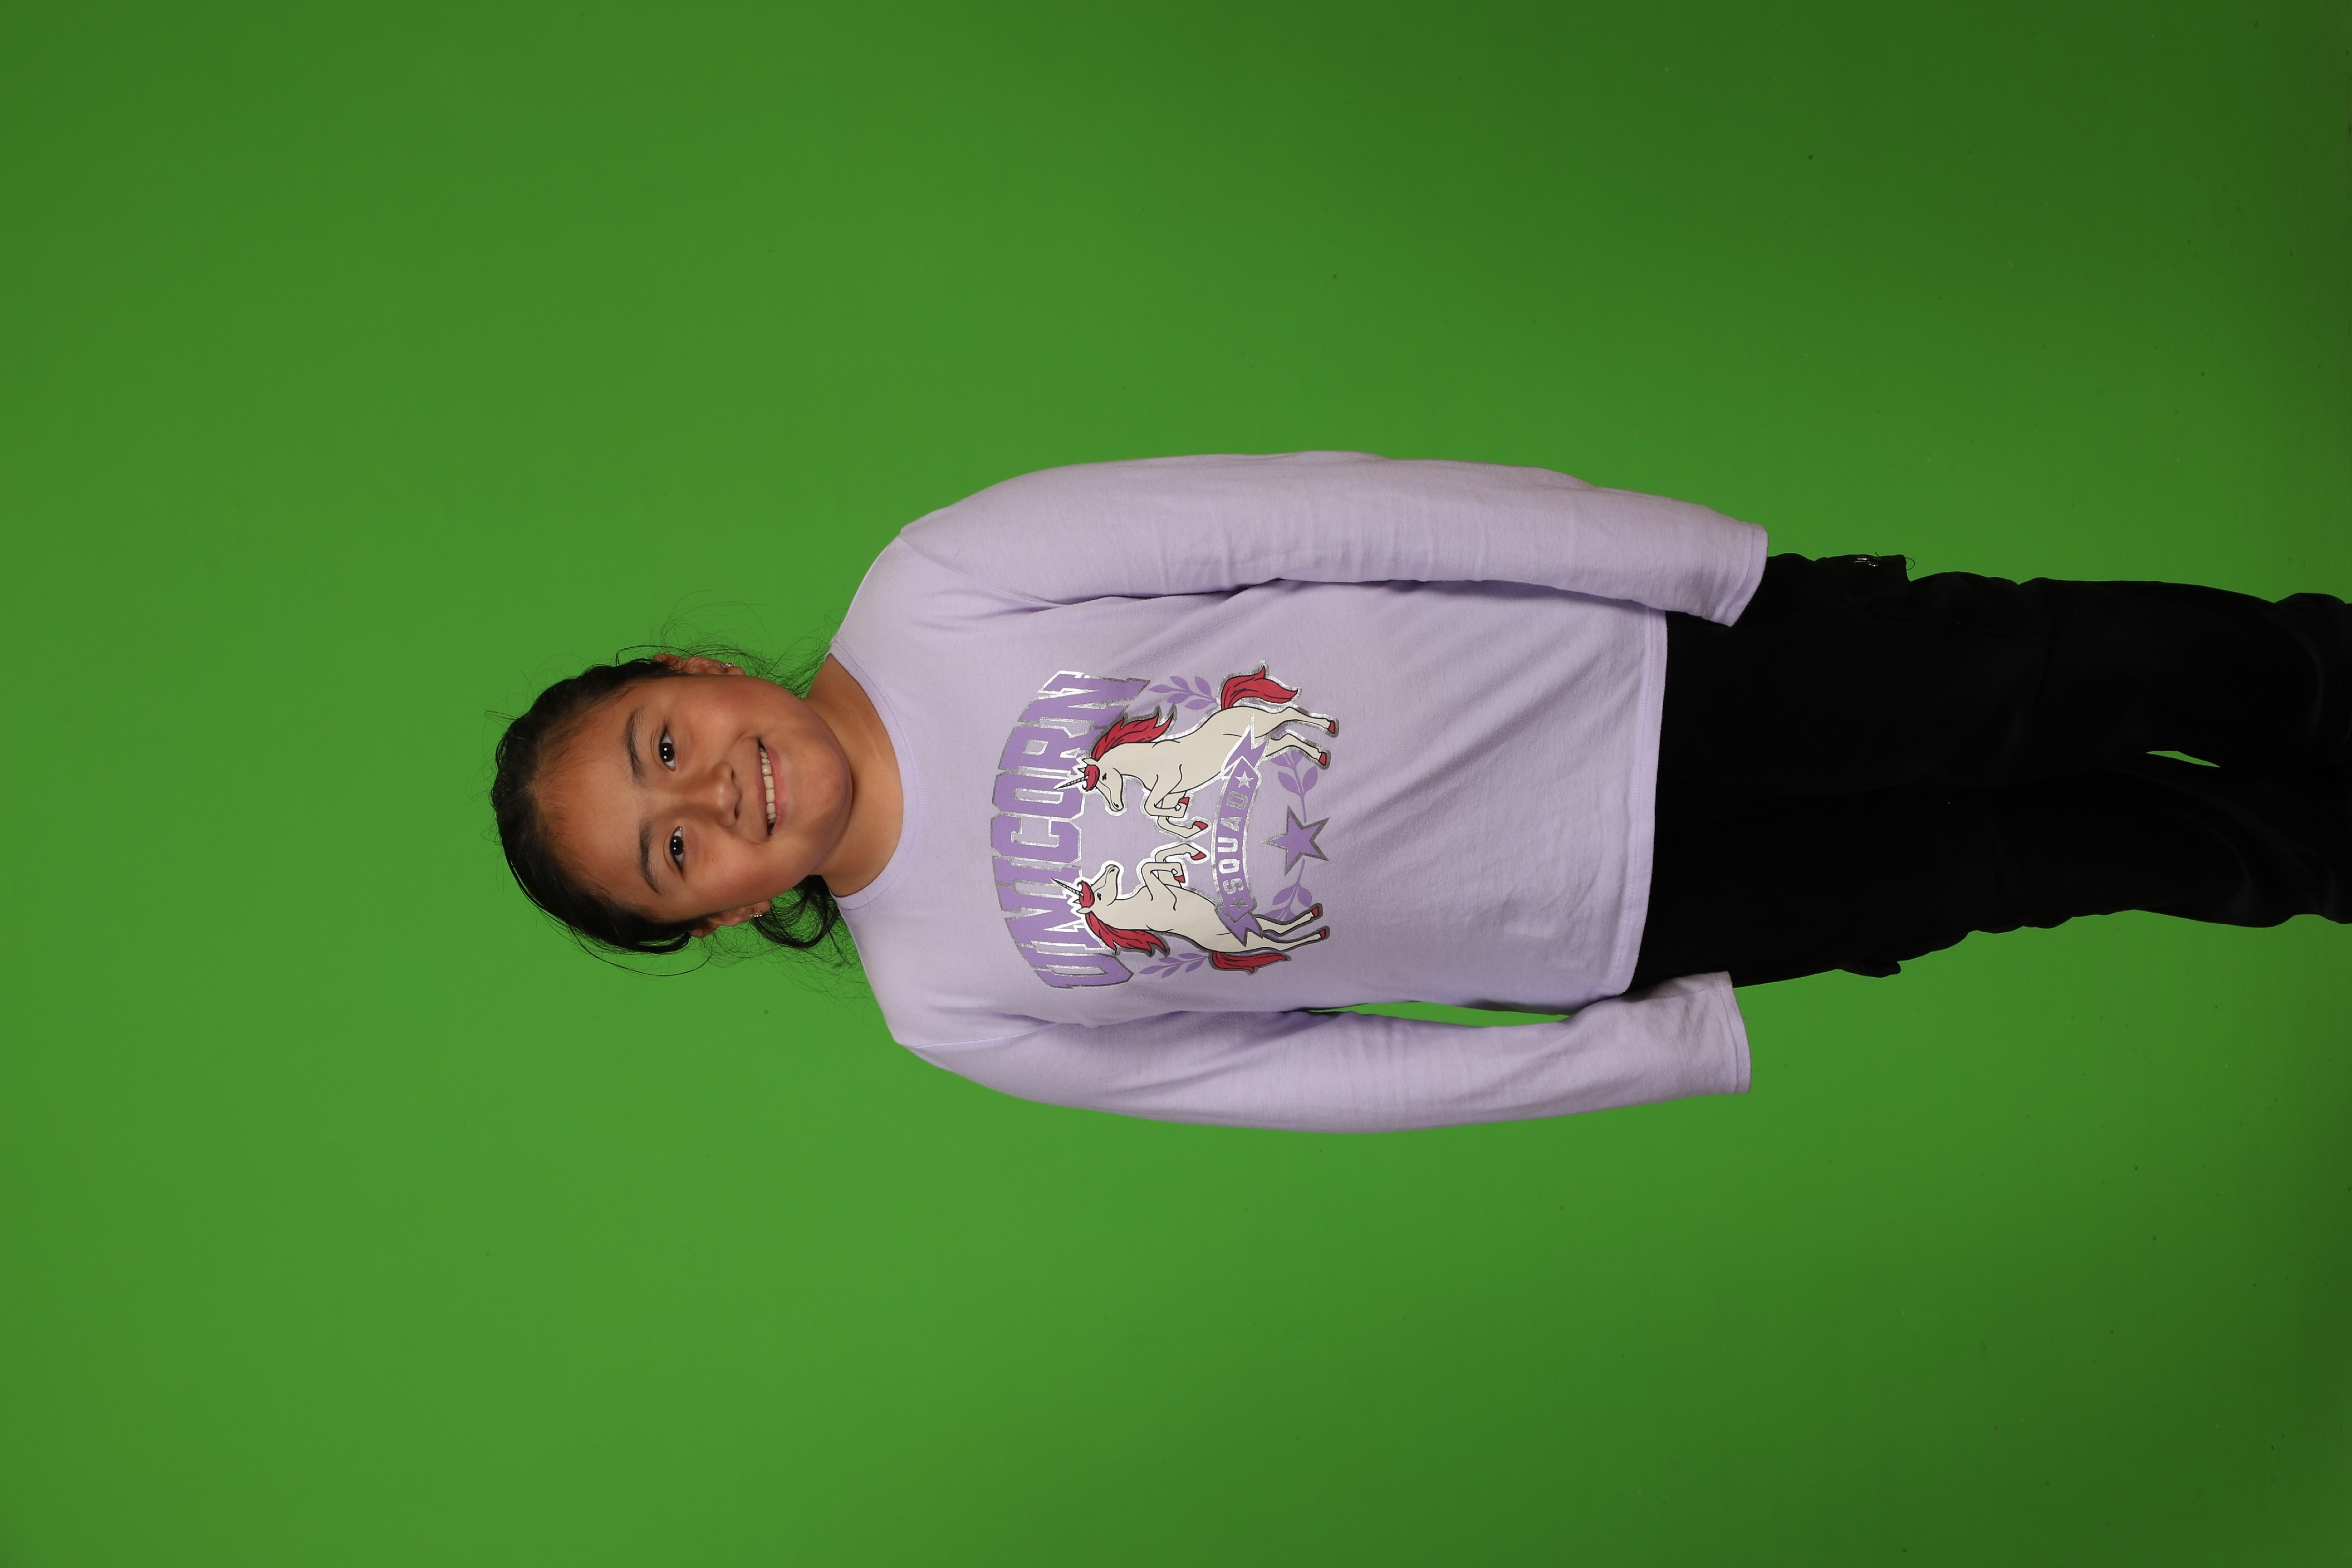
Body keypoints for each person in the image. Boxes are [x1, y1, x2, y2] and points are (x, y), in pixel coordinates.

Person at [491, 452, 2351, 1132]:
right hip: (1605, 919)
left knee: (2040, 673)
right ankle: (2318, 850)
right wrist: (1613, 1053)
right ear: (723, 910)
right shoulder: (944, 1004)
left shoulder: (942, 581)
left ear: (695, 675)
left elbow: (1328, 510)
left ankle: (2324, 679)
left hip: (1641, 677)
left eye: (663, 744)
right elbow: (1296, 1079)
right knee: (2011, 862)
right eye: (676, 852)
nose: (715, 793)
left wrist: (1688, 564)